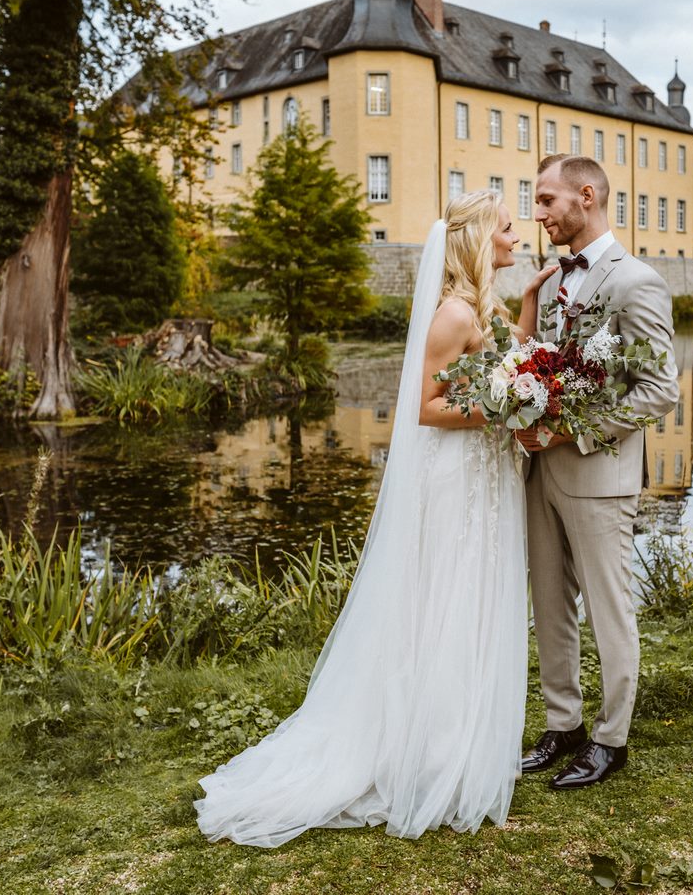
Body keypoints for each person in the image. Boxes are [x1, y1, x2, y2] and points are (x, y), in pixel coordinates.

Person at [194, 190, 559, 847]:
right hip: (459, 482)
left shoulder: (489, 307)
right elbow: (425, 409)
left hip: (489, 479)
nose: (516, 238)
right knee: (449, 603)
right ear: (480, 238)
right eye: (508, 230)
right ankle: (433, 755)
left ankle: (462, 746)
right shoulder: (451, 314)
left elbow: (515, 359)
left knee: (476, 604)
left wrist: (529, 309)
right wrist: (503, 414)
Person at [516, 154, 679, 789]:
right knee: (549, 604)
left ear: (587, 196)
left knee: (610, 610)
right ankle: (564, 725)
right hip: (541, 472)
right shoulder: (556, 280)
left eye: (548, 200)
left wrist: (570, 430)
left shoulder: (636, 282)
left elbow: (660, 389)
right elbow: (545, 366)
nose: (539, 213)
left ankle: (612, 740)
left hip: (599, 474)